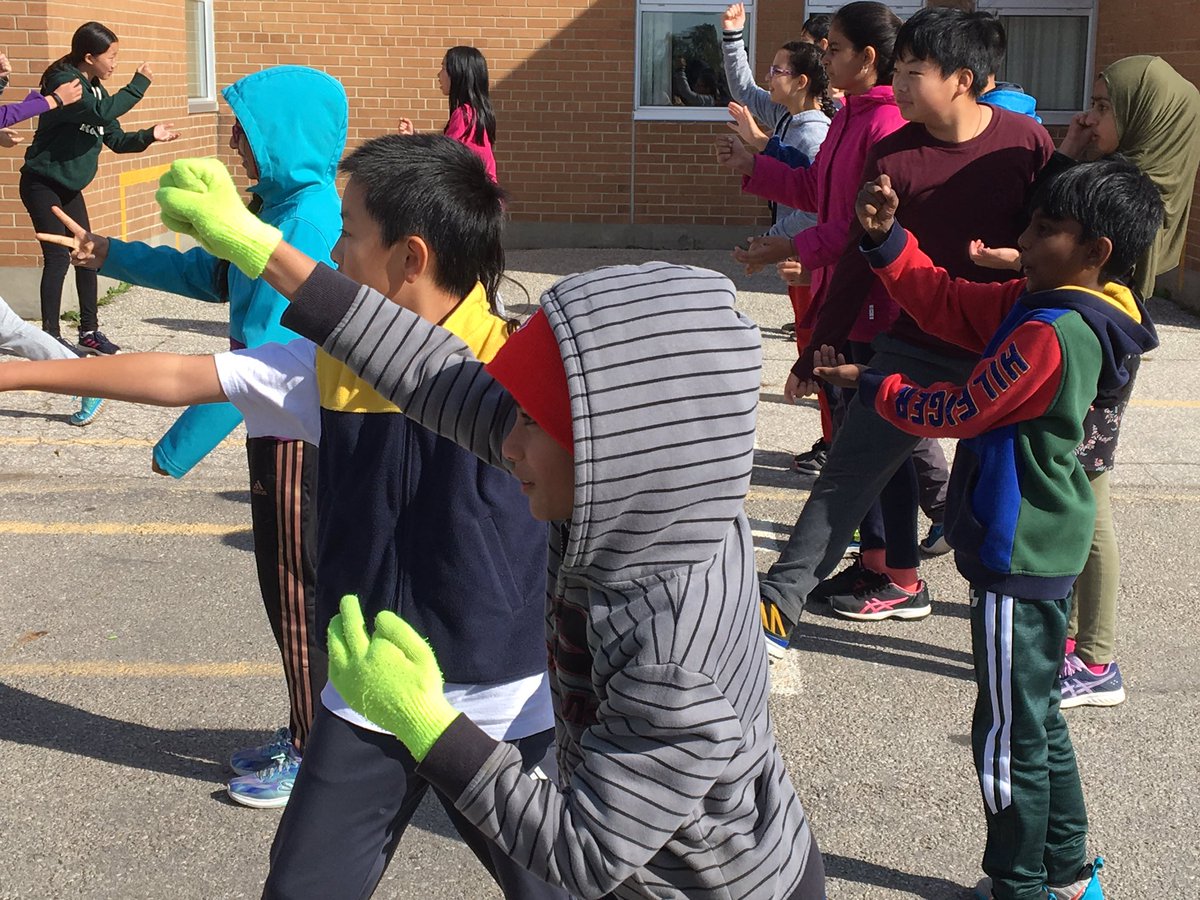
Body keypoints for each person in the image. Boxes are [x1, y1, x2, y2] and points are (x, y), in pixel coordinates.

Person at [148, 152, 826, 898]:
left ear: (611, 449)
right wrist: (254, 245)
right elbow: (425, 371)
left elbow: (583, 854)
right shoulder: (649, 487)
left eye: (529, 422)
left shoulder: (672, 657)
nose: (505, 443)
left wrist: (425, 724)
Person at [15, 135, 563, 900]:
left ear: (410, 257)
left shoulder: (519, 374)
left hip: (500, 704)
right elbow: (179, 374)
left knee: (561, 888)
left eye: (348, 230)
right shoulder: (325, 367)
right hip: (369, 691)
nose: (333, 248)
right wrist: (16, 371)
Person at [820, 156, 1161, 900]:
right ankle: (1066, 870)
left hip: (1018, 545)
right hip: (1039, 541)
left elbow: (961, 409)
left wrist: (878, 386)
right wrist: (887, 243)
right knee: (1035, 718)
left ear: (1096, 250)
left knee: (1006, 734)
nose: (1026, 239)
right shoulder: (1063, 303)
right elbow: (947, 301)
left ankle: (1018, 884)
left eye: (1046, 229)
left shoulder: (1053, 329)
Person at [39, 65, 347, 807]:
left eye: (247, 127)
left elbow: (261, 361)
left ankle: (316, 753)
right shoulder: (276, 211)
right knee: (292, 595)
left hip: (296, 437)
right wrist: (110, 254)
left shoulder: (306, 222)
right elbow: (212, 277)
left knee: (299, 596)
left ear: (284, 135)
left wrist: (178, 445)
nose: (236, 140)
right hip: (277, 428)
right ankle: (314, 729)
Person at [751, 7, 1053, 649]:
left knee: (997, 498)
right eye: (902, 68)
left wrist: (1022, 265)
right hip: (914, 341)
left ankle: (1018, 631)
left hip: (1006, 349)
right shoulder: (894, 153)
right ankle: (778, 604)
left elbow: (1057, 246)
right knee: (845, 477)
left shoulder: (1027, 144)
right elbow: (868, 253)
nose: (903, 83)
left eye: (916, 71)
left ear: (963, 79)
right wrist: (814, 348)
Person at [970, 55, 1200, 708]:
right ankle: (1075, 637)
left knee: (1088, 501)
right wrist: (1071, 149)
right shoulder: (1119, 172)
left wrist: (1025, 254)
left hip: (1094, 345)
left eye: (1104, 106)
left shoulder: (1132, 190)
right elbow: (1049, 211)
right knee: (1079, 489)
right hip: (1085, 336)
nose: (1088, 115)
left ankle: (1096, 660)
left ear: (1145, 116)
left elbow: (1061, 233)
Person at [716, 0, 908, 645]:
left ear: (866, 58)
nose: (823, 58)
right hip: (852, 292)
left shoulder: (882, 123)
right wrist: (756, 170)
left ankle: (894, 570)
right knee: (873, 445)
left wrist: (789, 248)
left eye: (831, 49)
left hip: (874, 299)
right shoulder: (852, 117)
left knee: (874, 449)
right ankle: (883, 565)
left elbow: (857, 226)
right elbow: (819, 197)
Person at [20, 21, 179, 355]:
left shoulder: (97, 89)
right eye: (112, 56)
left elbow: (117, 139)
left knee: (87, 252)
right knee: (58, 258)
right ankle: (50, 336)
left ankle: (89, 331)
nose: (115, 63)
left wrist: (150, 134)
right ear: (90, 57)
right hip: (42, 183)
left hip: (69, 186)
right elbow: (99, 112)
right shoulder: (66, 83)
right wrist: (138, 85)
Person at [398, 45, 498, 182]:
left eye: (444, 67)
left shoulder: (464, 115)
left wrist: (413, 142)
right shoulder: (475, 113)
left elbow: (441, 156)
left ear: (458, 73)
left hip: (474, 197)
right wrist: (416, 136)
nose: (439, 75)